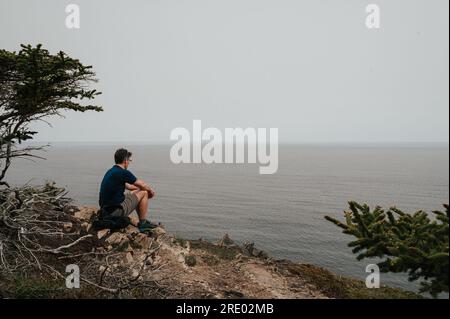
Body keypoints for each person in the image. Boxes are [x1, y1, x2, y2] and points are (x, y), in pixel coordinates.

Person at [99, 148, 157, 232]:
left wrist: (138, 189)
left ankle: (142, 220)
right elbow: (142, 185)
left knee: (135, 192)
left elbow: (129, 187)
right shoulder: (124, 172)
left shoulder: (111, 171)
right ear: (125, 160)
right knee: (144, 193)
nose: (129, 162)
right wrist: (150, 191)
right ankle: (143, 224)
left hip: (105, 210)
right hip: (115, 212)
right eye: (129, 160)